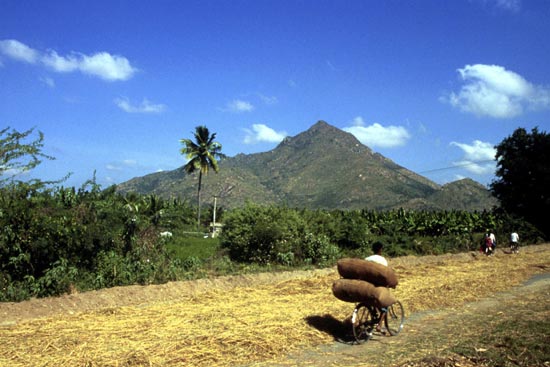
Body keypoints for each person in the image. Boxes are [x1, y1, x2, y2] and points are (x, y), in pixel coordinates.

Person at [365, 241, 389, 333]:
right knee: (385, 305)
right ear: (380, 249)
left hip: (367, 285)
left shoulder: (367, 259)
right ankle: (379, 325)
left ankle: (374, 311)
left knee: (371, 300)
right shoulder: (383, 260)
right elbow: (385, 274)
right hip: (377, 285)